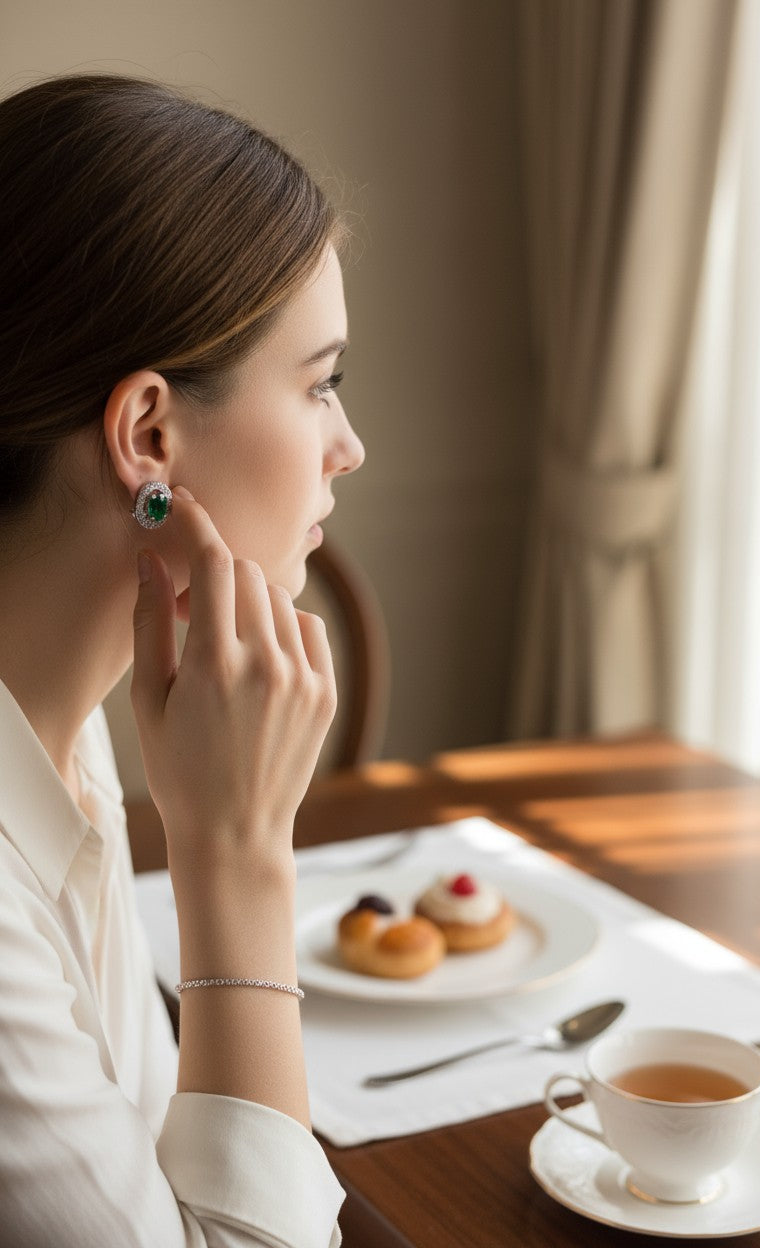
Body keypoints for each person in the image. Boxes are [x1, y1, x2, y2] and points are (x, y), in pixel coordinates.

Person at [0, 73, 364, 1247]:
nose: (347, 447)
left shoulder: (69, 721)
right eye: (319, 386)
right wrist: (236, 853)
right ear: (150, 433)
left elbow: (167, 1170)